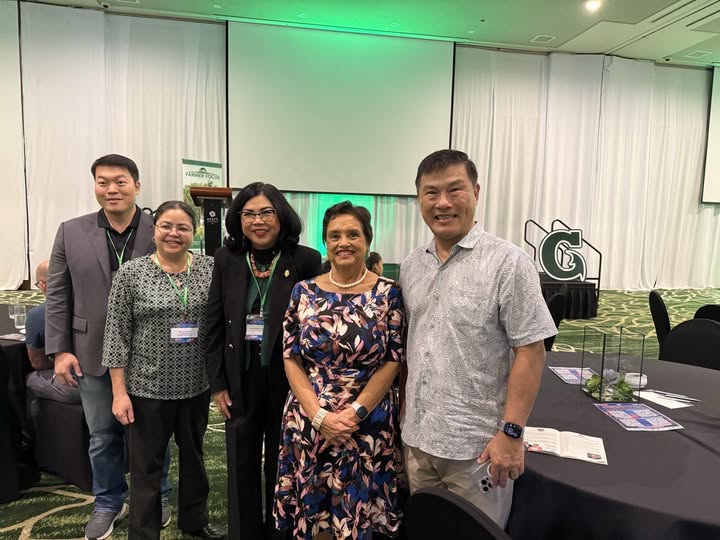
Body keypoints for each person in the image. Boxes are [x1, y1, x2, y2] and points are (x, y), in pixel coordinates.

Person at [399, 149, 557, 528]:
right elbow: (412, 345)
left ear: (476, 192)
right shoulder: (411, 265)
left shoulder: (508, 263)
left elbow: (531, 351)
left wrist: (512, 433)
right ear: (419, 199)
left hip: (477, 450)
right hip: (418, 442)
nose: (443, 203)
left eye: (455, 190)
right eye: (431, 192)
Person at [45, 154, 172, 540]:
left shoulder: (161, 228)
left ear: (137, 185)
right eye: (103, 182)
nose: (111, 189)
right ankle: (107, 501)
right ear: (95, 186)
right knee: (102, 435)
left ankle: (158, 496)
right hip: (91, 351)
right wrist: (59, 350)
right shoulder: (71, 231)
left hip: (152, 353)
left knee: (154, 434)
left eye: (120, 181)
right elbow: (58, 294)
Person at [274, 202, 404, 540]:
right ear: (325, 242)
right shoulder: (303, 291)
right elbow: (291, 357)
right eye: (334, 236)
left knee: (358, 516)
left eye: (353, 234)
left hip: (366, 422)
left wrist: (355, 413)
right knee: (314, 514)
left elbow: (393, 358)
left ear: (367, 240)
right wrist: (319, 416)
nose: (343, 242)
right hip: (310, 418)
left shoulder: (389, 292)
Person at [205, 182, 322, 540]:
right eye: (249, 214)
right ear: (238, 219)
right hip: (239, 376)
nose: (258, 221)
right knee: (240, 459)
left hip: (288, 379)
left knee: (282, 460)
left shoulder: (305, 259)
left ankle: (278, 531)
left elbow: (315, 325)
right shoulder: (226, 259)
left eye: (266, 212)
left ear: (281, 215)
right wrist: (217, 384)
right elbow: (214, 321)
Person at [103, 200, 224, 540]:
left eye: (182, 227)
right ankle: (144, 533)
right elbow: (115, 335)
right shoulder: (131, 273)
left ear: (193, 231)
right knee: (146, 467)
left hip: (196, 385)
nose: (174, 233)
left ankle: (194, 521)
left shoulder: (210, 269)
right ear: (154, 230)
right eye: (166, 226)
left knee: (195, 459)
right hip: (147, 389)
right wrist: (119, 393)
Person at [25, 260, 80, 424]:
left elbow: (37, 363)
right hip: (108, 381)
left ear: (43, 285)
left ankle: (31, 432)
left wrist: (58, 361)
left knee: (30, 379)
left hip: (77, 386)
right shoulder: (90, 307)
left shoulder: (37, 315)